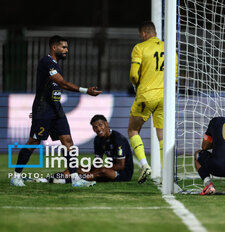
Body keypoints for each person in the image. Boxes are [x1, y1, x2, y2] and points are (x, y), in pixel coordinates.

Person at [10, 35, 102, 187]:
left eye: (67, 47)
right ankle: (16, 176)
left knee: (68, 142)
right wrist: (86, 91)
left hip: (56, 110)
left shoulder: (55, 64)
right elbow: (62, 83)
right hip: (43, 110)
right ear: (54, 47)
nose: (67, 50)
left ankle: (75, 180)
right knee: (34, 141)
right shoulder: (46, 62)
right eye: (63, 47)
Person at [127, 21, 171, 184]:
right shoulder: (168, 47)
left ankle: (145, 165)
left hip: (146, 95)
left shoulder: (140, 47)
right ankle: (166, 172)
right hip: (164, 96)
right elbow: (174, 74)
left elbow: (133, 75)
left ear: (144, 33)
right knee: (162, 135)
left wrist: (136, 83)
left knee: (133, 130)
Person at [48, 115, 134, 183]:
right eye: (95, 127)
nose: (98, 129)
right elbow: (98, 161)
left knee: (103, 171)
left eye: (100, 125)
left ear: (106, 124)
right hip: (110, 169)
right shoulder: (98, 139)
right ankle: (51, 178)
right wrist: (88, 169)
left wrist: (96, 170)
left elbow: (120, 166)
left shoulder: (118, 139)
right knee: (77, 168)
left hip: (124, 173)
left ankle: (68, 180)